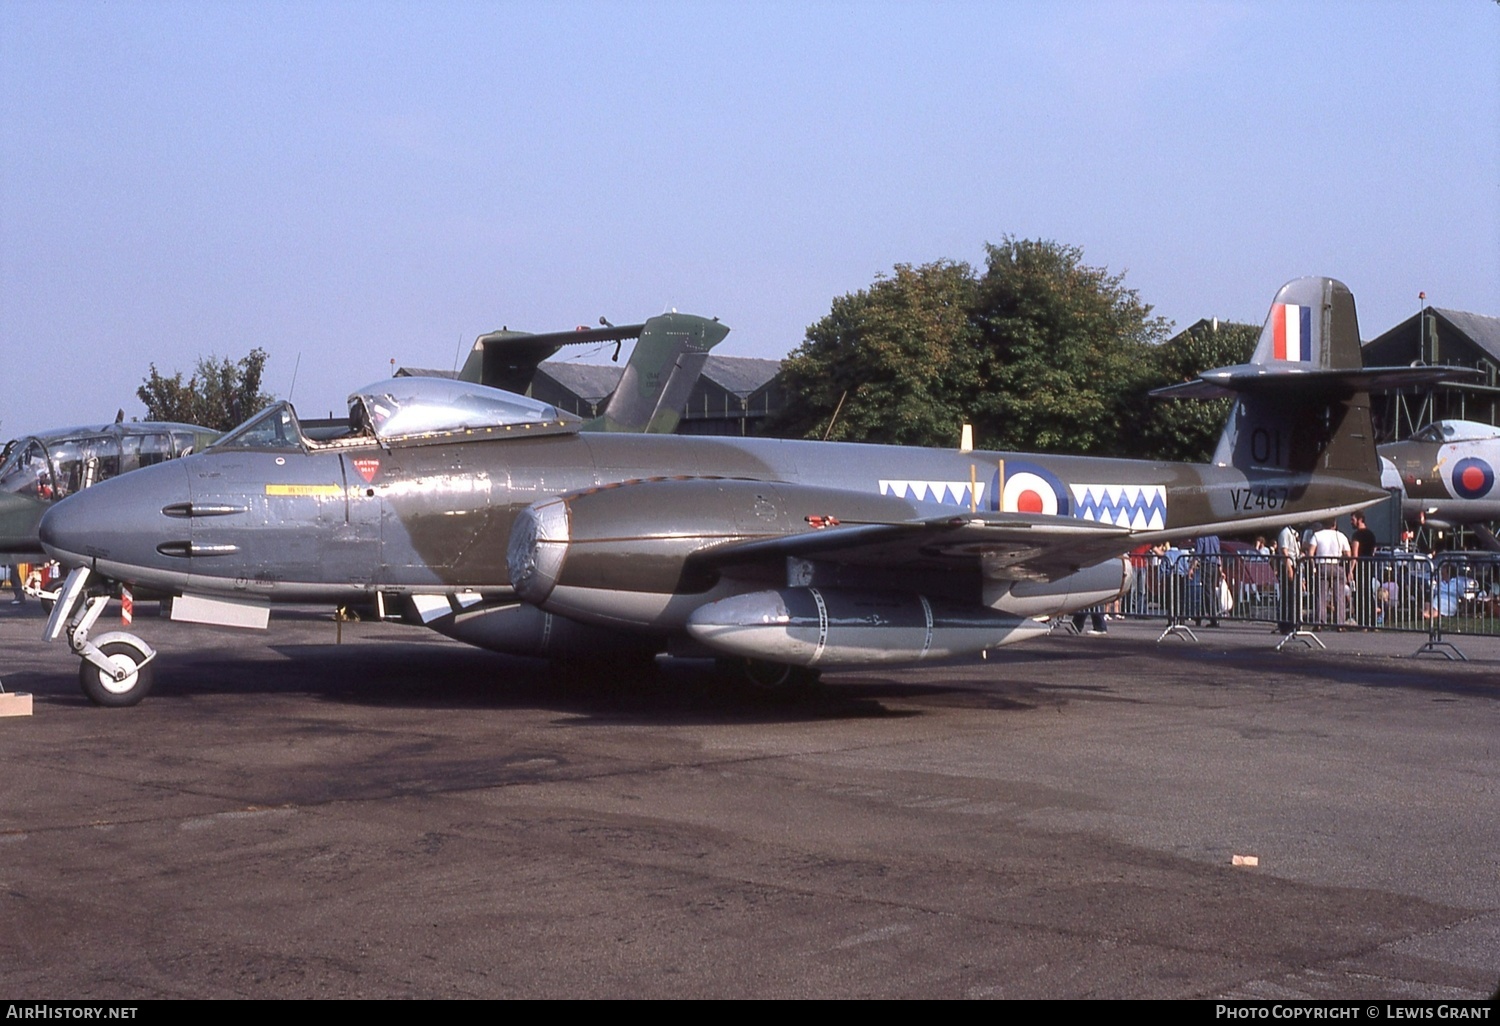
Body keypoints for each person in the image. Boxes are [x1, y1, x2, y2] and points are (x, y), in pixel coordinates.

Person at [1308, 520, 1352, 626]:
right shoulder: (1341, 536)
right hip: (1337, 565)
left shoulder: (1317, 535)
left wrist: (1313, 567)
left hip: (1322, 565)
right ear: (1335, 524)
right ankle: (1340, 623)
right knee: (1339, 596)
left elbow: (1310, 553)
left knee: (1321, 596)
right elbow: (1348, 554)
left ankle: (1319, 622)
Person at [1348, 512, 1378, 627]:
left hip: (1360, 567)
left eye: (1353, 520)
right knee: (1369, 593)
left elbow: (1354, 555)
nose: (1351, 522)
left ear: (1359, 520)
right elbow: (1373, 551)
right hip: (1369, 565)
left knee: (1360, 594)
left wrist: (1350, 570)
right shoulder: (1371, 534)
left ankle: (1362, 622)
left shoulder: (1357, 535)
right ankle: (1372, 622)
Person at [1191, 533, 1224, 627]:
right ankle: (1200, 615)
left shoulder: (1201, 537)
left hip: (1206, 565)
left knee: (1207, 592)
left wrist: (1191, 568)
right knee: (1211, 591)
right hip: (1215, 565)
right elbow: (1218, 553)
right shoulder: (1215, 537)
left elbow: (1198, 554)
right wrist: (1221, 568)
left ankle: (1214, 619)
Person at [1274, 522, 1302, 633]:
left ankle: (1293, 621)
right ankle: (1284, 623)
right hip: (1288, 565)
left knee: (1293, 595)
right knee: (1286, 595)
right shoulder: (1285, 532)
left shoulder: (1295, 534)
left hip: (1295, 565)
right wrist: (1289, 568)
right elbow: (1284, 551)